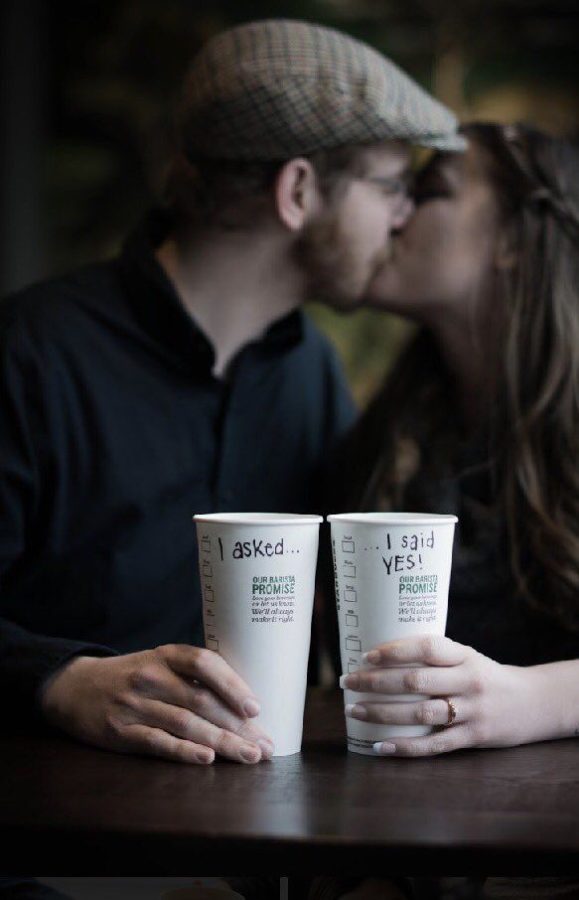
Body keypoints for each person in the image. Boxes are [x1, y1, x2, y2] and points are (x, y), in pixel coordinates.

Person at [0, 19, 464, 767]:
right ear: (299, 190)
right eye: (389, 186)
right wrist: (60, 679)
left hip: (249, 834)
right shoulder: (30, 352)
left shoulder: (308, 369)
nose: (402, 214)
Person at [331, 122, 579, 763]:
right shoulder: (381, 437)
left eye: (430, 190)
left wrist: (537, 698)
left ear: (514, 241)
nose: (395, 212)